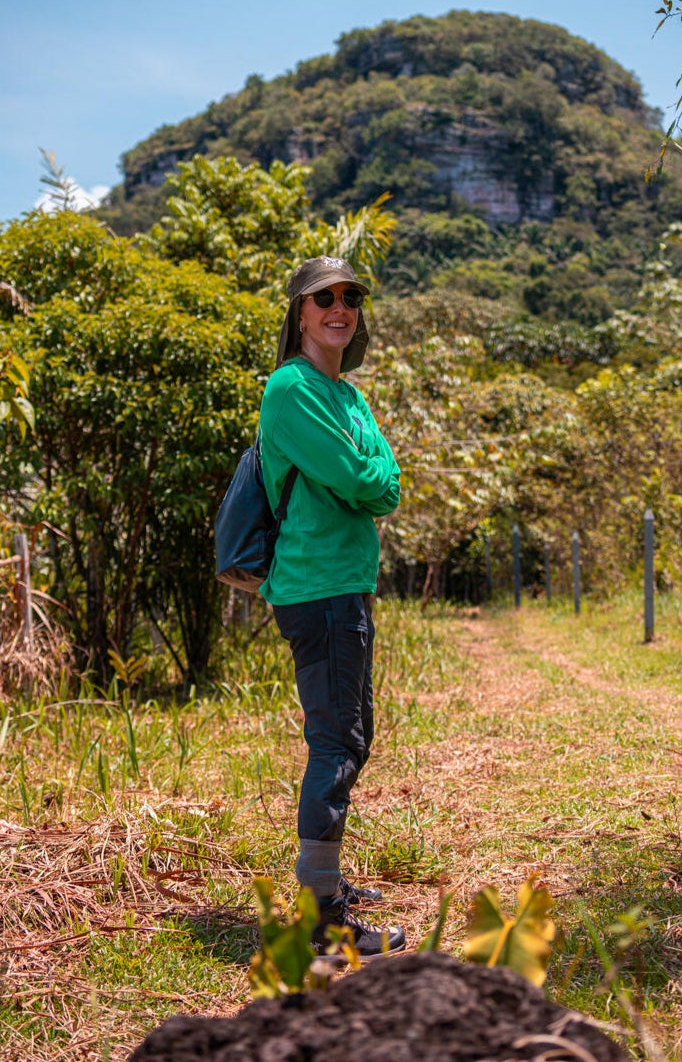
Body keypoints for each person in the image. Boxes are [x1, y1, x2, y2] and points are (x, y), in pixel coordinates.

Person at [258, 255, 405, 957]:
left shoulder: (348, 396)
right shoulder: (291, 390)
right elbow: (357, 475)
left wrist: (367, 473)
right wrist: (365, 472)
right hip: (315, 587)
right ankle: (321, 919)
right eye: (325, 298)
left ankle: (327, 883)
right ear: (300, 313)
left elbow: (386, 484)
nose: (339, 308)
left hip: (347, 584)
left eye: (350, 297)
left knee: (353, 735)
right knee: (336, 742)